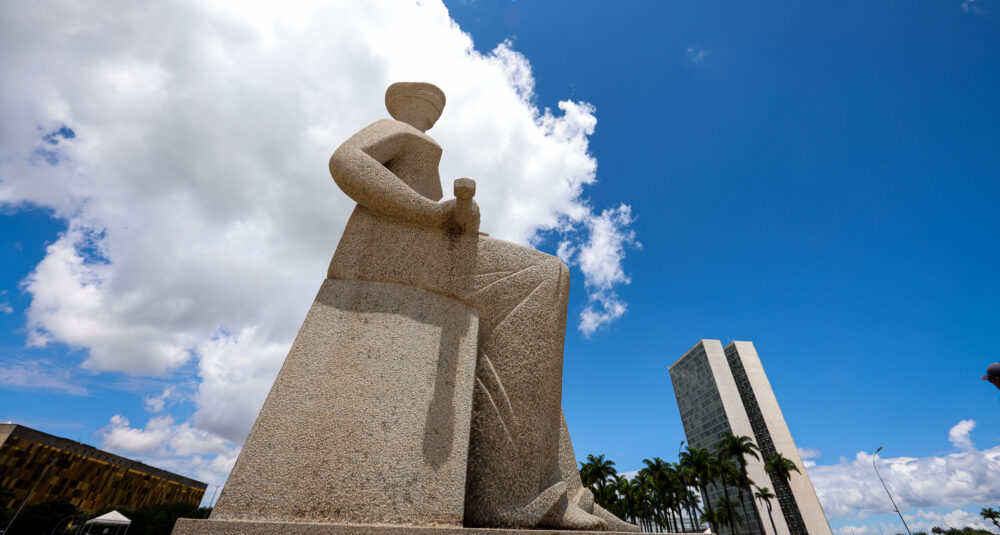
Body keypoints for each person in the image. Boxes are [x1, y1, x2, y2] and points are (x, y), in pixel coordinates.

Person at [327, 82, 633, 531]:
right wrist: (434, 215)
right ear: (402, 104)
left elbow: (425, 209)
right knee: (543, 276)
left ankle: (566, 493)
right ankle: (515, 499)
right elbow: (346, 162)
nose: (432, 108)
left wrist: (459, 219)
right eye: (424, 99)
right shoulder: (399, 131)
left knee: (534, 346)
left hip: (406, 245)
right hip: (381, 250)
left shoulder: (423, 147)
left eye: (436, 104)